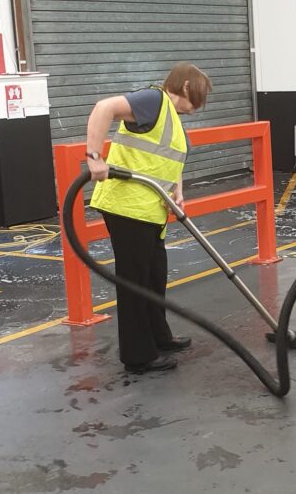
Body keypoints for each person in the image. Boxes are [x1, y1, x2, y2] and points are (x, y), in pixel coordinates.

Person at [84, 62, 213, 374]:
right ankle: (138, 356)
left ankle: (159, 337)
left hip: (151, 210)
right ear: (185, 87)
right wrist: (94, 156)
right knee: (135, 283)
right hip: (126, 206)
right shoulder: (153, 101)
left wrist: (177, 191)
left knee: (155, 276)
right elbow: (104, 108)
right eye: (198, 97)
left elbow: (169, 159)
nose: (197, 108)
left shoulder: (171, 116)